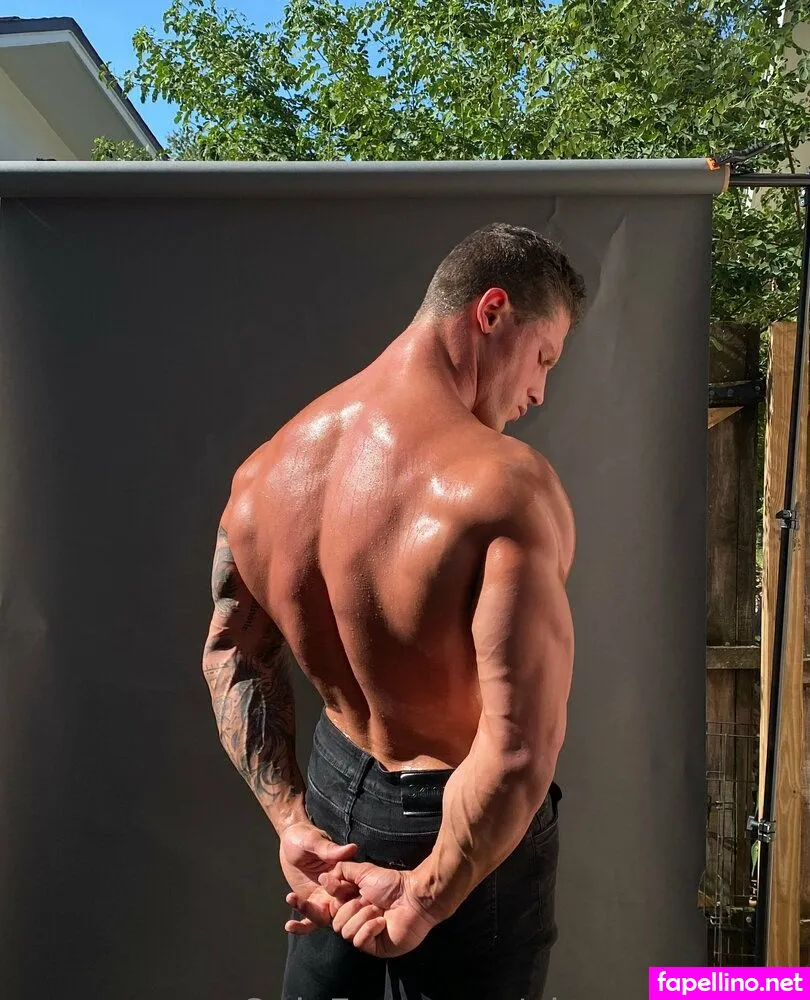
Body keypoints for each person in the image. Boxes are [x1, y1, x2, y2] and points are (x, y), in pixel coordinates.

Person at [201, 222, 586, 1000]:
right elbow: (517, 751)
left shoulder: (265, 472)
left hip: (332, 799)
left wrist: (292, 823)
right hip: (462, 825)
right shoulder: (505, 489)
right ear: (492, 312)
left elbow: (232, 656)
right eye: (544, 358)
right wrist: (425, 897)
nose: (540, 392)